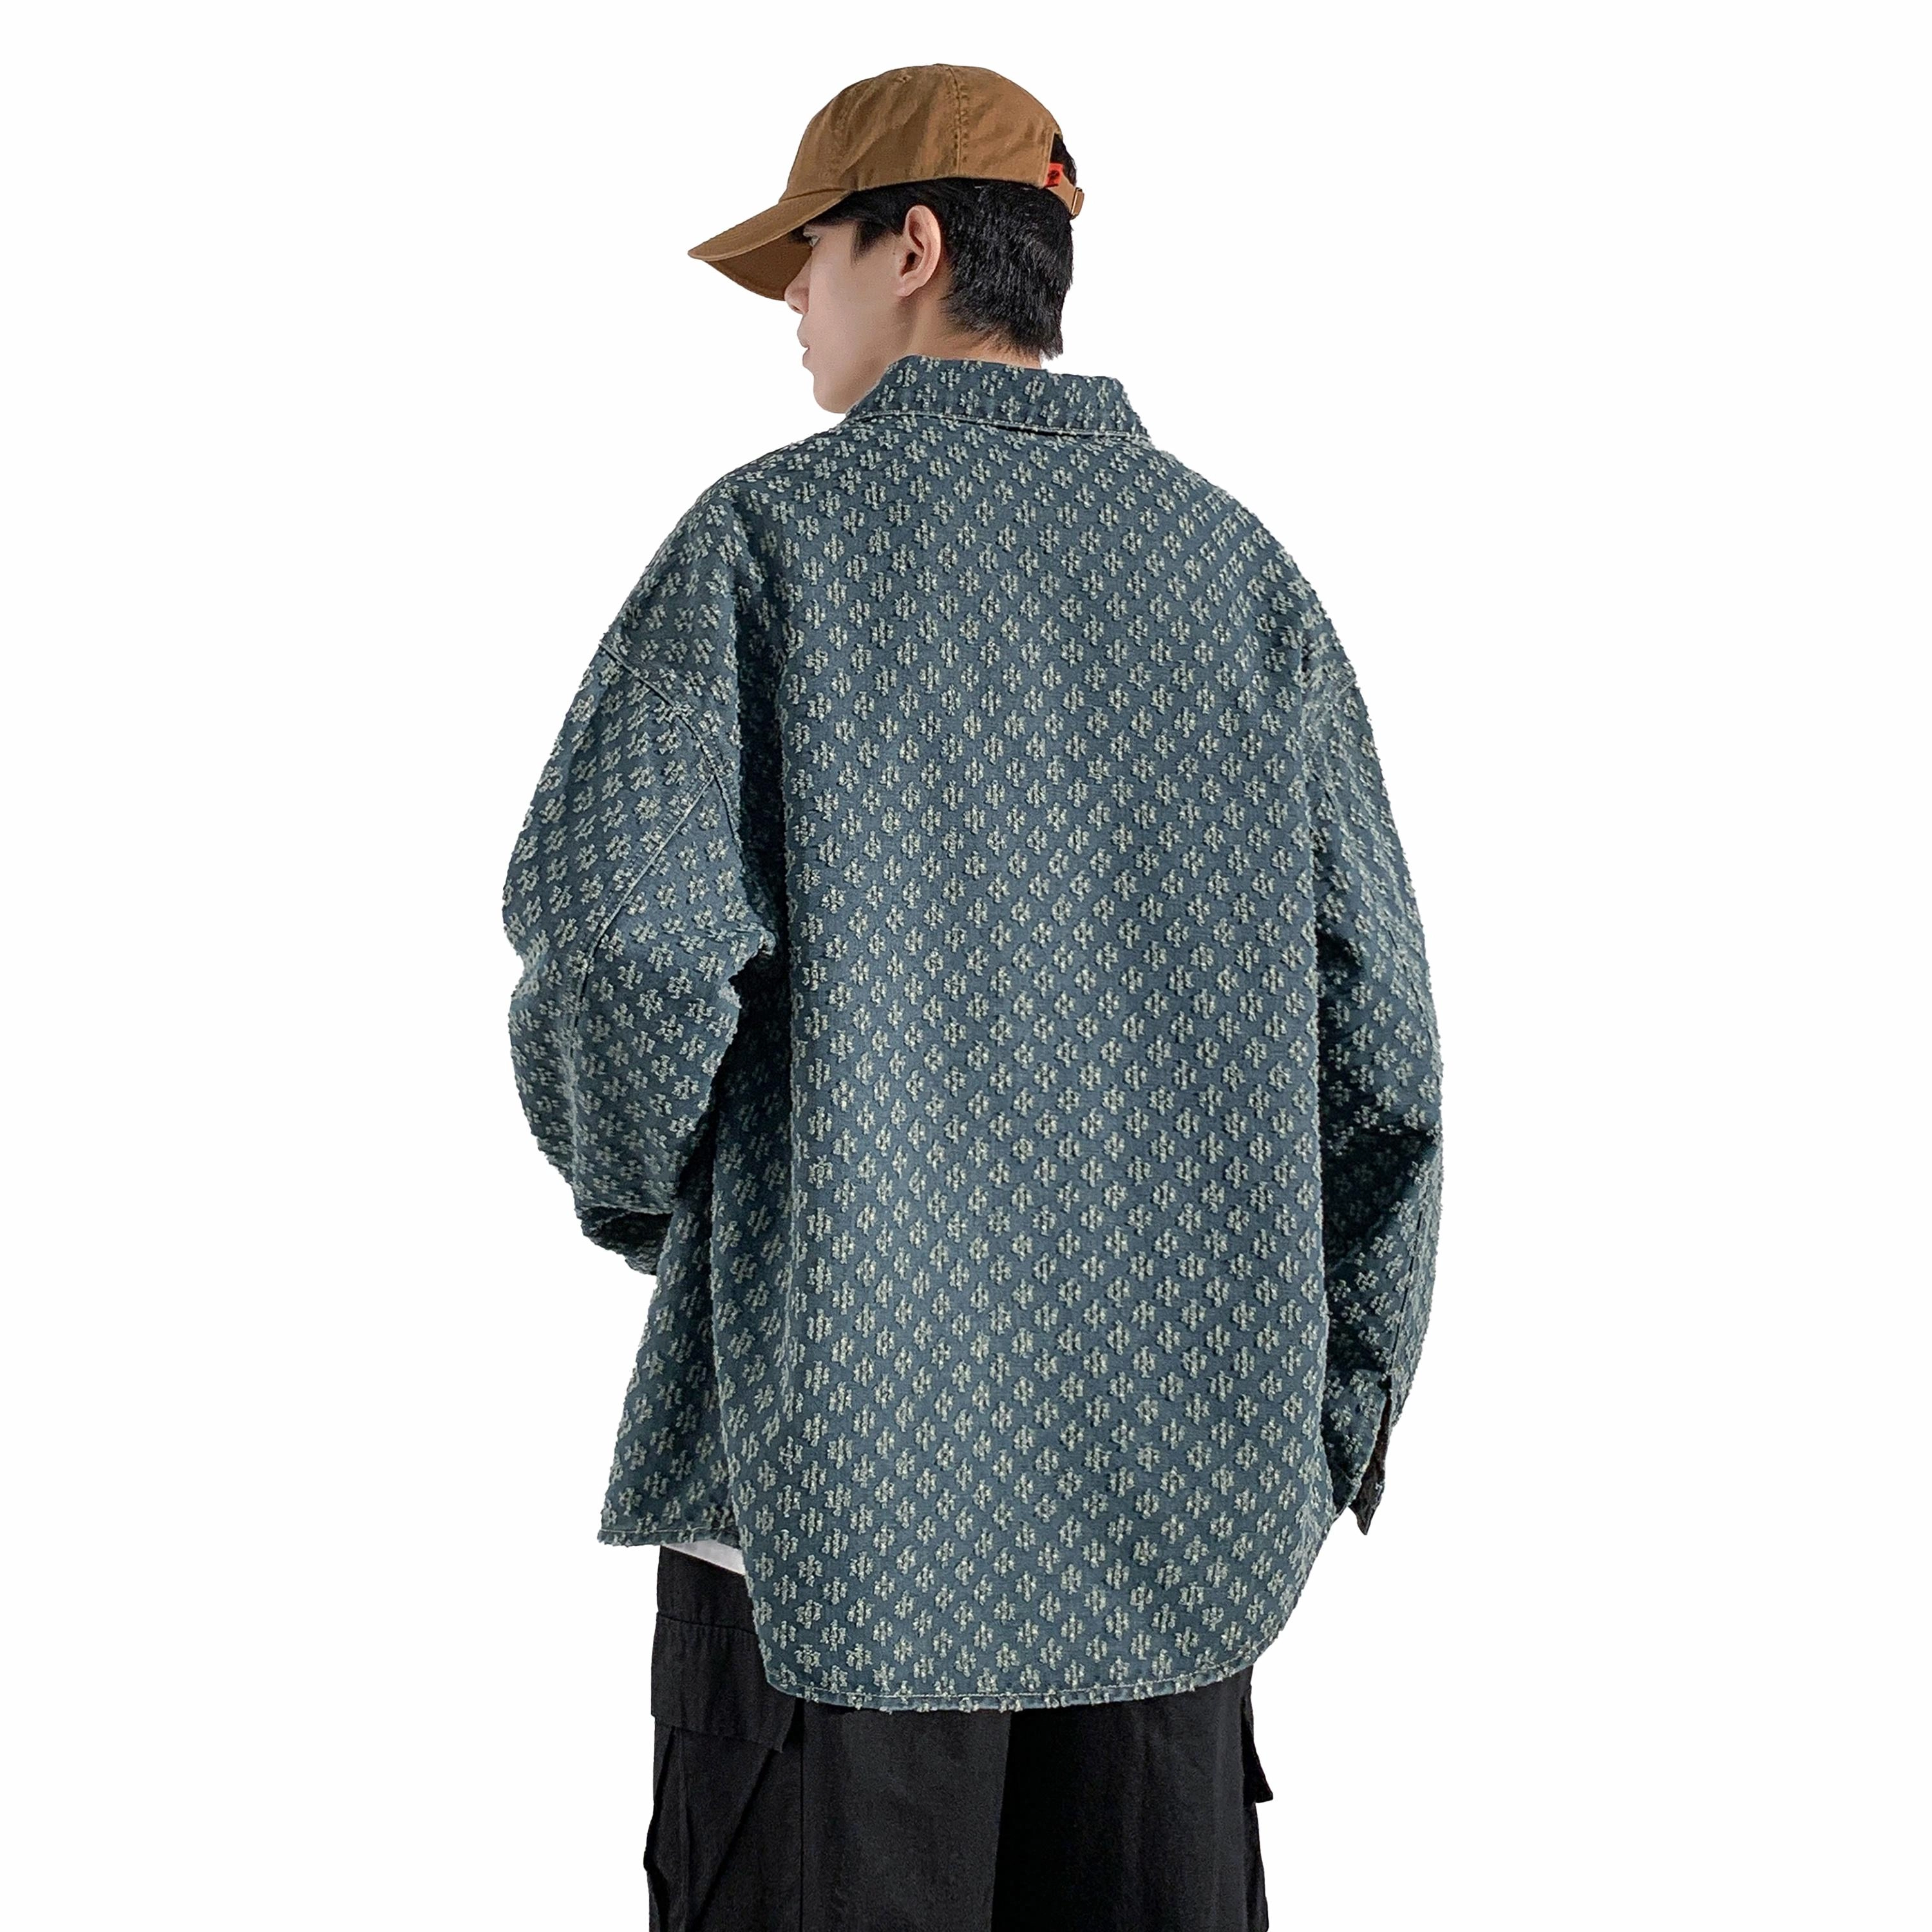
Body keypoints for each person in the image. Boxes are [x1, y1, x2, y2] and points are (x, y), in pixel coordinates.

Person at [500, 62, 1444, 1932]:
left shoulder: (770, 547)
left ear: (915, 247)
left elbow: (624, 942)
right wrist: (1328, 1412)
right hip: (1182, 1536)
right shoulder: (1242, 582)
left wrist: (648, 1196)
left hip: (832, 1518)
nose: (793, 301)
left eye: (809, 254)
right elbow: (1385, 1059)